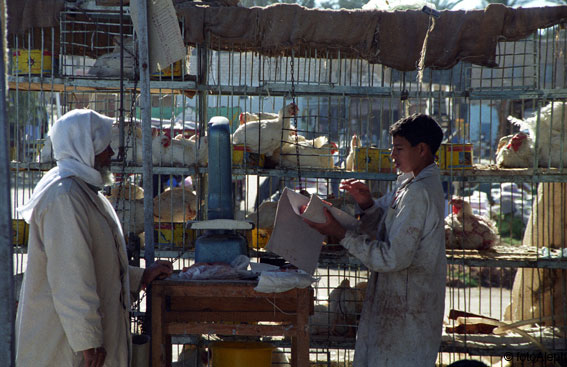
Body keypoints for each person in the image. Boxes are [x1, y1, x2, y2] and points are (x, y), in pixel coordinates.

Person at [15, 109, 173, 367]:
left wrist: (139, 277)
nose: (111, 153)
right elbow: (71, 277)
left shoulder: (85, 193)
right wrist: (87, 340)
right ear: (84, 148)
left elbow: (97, 262)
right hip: (68, 348)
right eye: (104, 145)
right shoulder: (64, 197)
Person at [304, 114, 446, 367]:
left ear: (422, 149)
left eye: (398, 148)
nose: (392, 155)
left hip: (406, 312)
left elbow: (392, 257)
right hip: (403, 307)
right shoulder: (412, 184)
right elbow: (390, 229)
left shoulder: (418, 192)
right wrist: (366, 204)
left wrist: (340, 232)